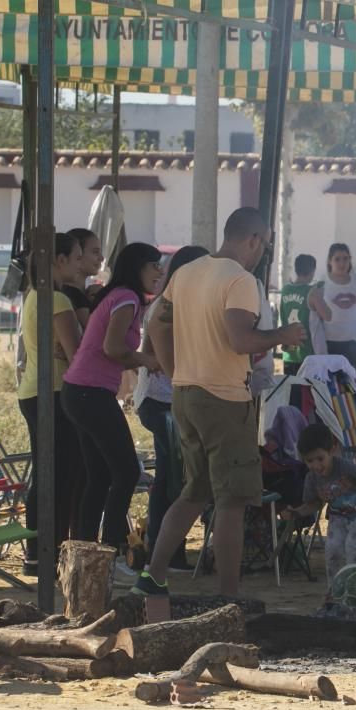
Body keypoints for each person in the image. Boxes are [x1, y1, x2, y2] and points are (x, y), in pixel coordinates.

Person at [134, 208, 305, 599]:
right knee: (233, 499)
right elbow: (241, 341)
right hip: (225, 400)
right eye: (265, 243)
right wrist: (283, 335)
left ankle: (152, 575)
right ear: (254, 239)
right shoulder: (240, 280)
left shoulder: (187, 273)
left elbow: (157, 321)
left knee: (194, 491)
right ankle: (229, 597)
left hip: (186, 395)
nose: (263, 252)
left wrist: (176, 367)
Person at [61, 242, 163, 582]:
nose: (159, 273)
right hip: (89, 393)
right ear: (137, 269)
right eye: (154, 266)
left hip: (80, 392)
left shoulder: (118, 294)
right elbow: (113, 348)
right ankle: (110, 554)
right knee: (125, 473)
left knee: (100, 477)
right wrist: (147, 360)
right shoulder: (127, 298)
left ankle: (86, 558)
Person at [134, 245, 209, 573]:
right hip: (161, 401)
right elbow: (170, 365)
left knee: (172, 476)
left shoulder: (182, 306)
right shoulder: (166, 309)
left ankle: (162, 550)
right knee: (171, 478)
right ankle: (164, 553)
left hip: (169, 399)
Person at [17, 232, 85, 576]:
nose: (79, 263)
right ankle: (47, 552)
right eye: (75, 257)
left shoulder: (35, 296)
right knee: (59, 475)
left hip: (35, 390)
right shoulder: (58, 299)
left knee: (48, 473)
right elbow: (78, 355)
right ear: (58, 261)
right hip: (53, 392)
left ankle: (39, 552)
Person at [280, 423, 356, 585]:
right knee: (332, 549)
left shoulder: (344, 467)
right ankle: (335, 591)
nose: (316, 465)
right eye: (309, 461)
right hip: (338, 514)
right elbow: (314, 504)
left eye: (320, 459)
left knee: (352, 545)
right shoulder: (311, 478)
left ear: (332, 451)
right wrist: (296, 512)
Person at [321, 243, 356, 394]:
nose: (342, 263)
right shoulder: (322, 283)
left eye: (346, 259)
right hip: (332, 342)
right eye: (337, 259)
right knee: (335, 388)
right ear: (330, 261)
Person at [279, 254, 331, 374]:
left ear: (296, 269)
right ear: (312, 271)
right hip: (309, 354)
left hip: (289, 353)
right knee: (310, 391)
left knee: (292, 390)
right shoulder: (311, 292)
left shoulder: (285, 290)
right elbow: (328, 316)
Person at [63, 228, 104, 327]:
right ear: (77, 254)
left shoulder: (80, 294)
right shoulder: (72, 295)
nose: (102, 258)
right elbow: (94, 335)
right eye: (95, 252)